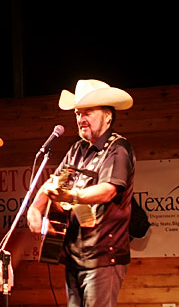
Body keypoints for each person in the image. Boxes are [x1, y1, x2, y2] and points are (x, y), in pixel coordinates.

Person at [26, 79, 135, 307]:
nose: (80, 119)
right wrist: (35, 208)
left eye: (87, 112)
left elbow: (108, 190)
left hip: (103, 256)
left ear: (107, 116)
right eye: (77, 113)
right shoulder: (77, 149)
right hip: (74, 256)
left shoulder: (118, 148)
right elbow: (53, 182)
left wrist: (72, 197)